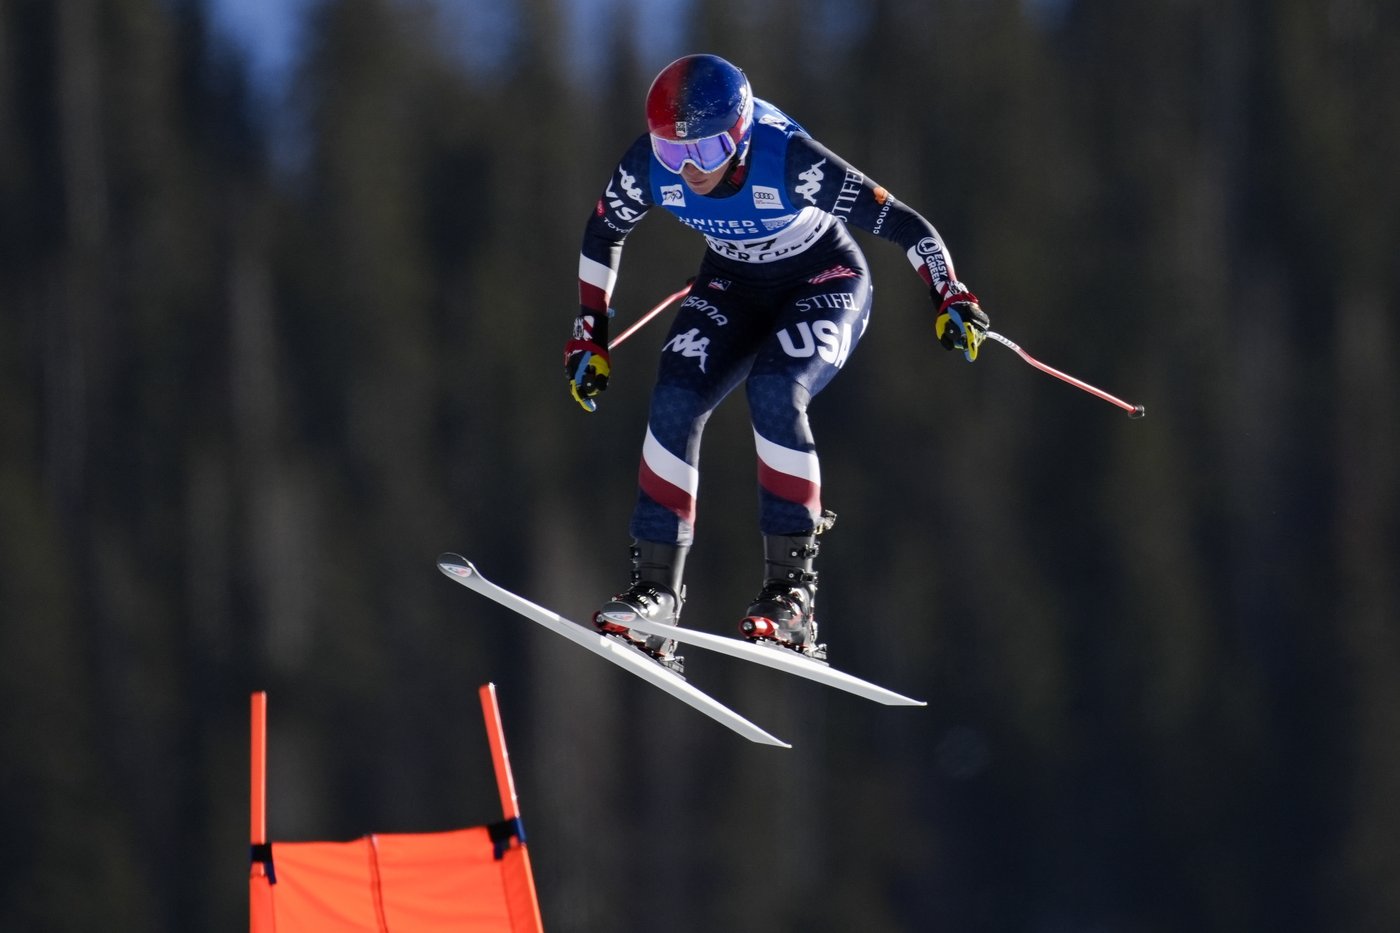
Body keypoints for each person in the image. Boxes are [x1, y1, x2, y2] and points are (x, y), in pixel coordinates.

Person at [565, 53, 988, 673]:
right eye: (673, 155)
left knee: (776, 390)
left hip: (824, 277)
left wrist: (949, 294)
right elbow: (603, 232)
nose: (689, 171)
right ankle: (655, 596)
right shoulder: (647, 167)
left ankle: (793, 598)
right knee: (674, 395)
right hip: (732, 285)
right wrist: (589, 335)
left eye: (705, 154)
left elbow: (904, 223)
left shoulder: (787, 159)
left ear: (737, 136)